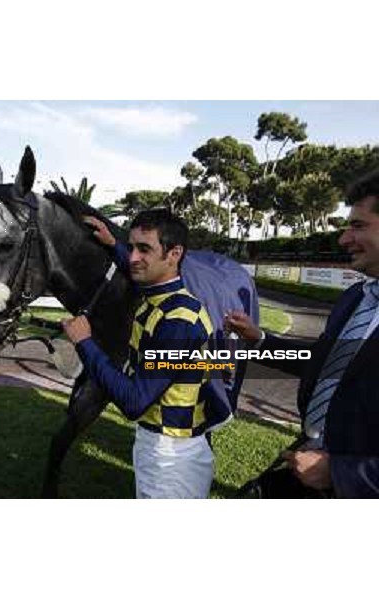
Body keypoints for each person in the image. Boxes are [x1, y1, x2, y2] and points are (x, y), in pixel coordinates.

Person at [225, 168, 379, 498]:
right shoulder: (356, 298)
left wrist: (340, 474)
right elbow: (326, 363)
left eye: (358, 225)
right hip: (309, 466)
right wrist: (260, 340)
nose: (343, 239)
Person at [63, 209, 229, 499]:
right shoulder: (160, 293)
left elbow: (134, 401)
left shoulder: (178, 320)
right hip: (162, 447)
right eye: (132, 247)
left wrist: (85, 343)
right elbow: (136, 268)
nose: (133, 257)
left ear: (174, 254)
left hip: (171, 456)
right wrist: (113, 245)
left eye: (144, 249)